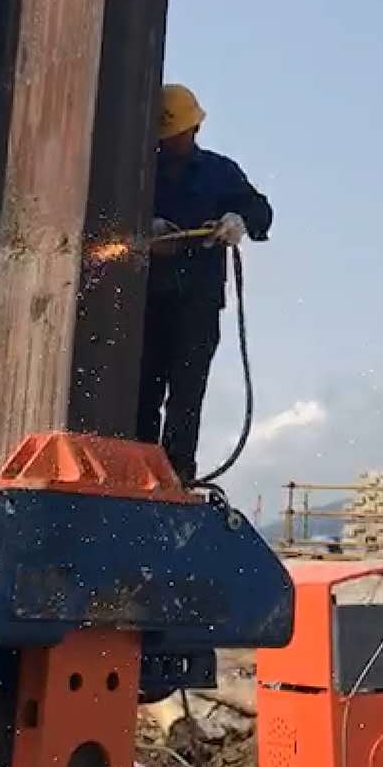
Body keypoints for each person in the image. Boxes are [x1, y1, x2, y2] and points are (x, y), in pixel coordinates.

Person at [137, 85, 272, 484]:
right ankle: (141, 470)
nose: (170, 141)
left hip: (198, 301)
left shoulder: (219, 173)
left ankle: (176, 473)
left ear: (193, 128)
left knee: (187, 392)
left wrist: (240, 220)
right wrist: (148, 232)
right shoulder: (141, 173)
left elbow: (260, 208)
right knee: (143, 390)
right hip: (149, 301)